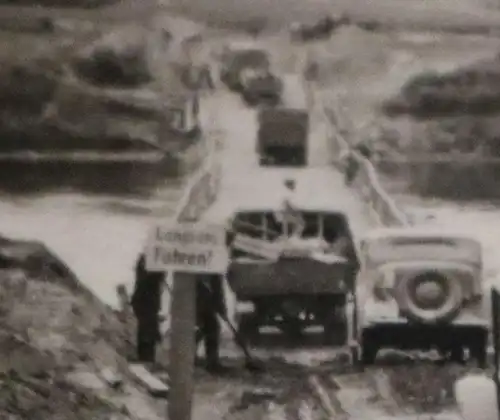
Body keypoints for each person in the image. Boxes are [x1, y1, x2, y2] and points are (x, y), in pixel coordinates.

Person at [130, 253, 164, 364]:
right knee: (147, 330)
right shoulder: (151, 260)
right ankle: (146, 358)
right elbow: (147, 281)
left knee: (147, 329)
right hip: (146, 301)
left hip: (147, 301)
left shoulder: (150, 259)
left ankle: (146, 358)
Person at [195, 273, 229, 374]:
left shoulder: (215, 272)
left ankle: (212, 362)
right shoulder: (211, 268)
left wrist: (221, 307)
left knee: (212, 327)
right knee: (201, 328)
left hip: (205, 297)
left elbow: (217, 288)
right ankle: (189, 358)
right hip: (196, 297)